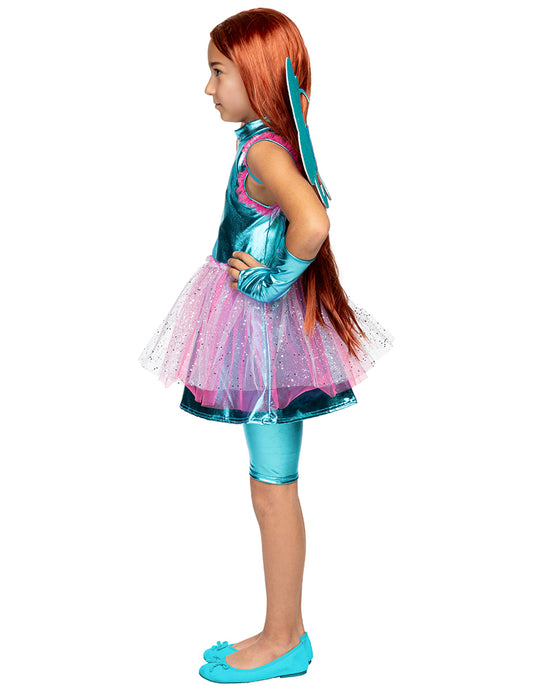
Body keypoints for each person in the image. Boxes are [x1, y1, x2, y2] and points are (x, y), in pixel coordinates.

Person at [138, 8, 394, 684]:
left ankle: (285, 638)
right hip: (261, 334)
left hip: (262, 335)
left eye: (217, 72)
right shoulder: (265, 141)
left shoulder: (263, 151)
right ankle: (282, 628)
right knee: (268, 486)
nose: (207, 87)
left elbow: (312, 221)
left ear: (255, 76)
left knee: (273, 490)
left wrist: (271, 281)